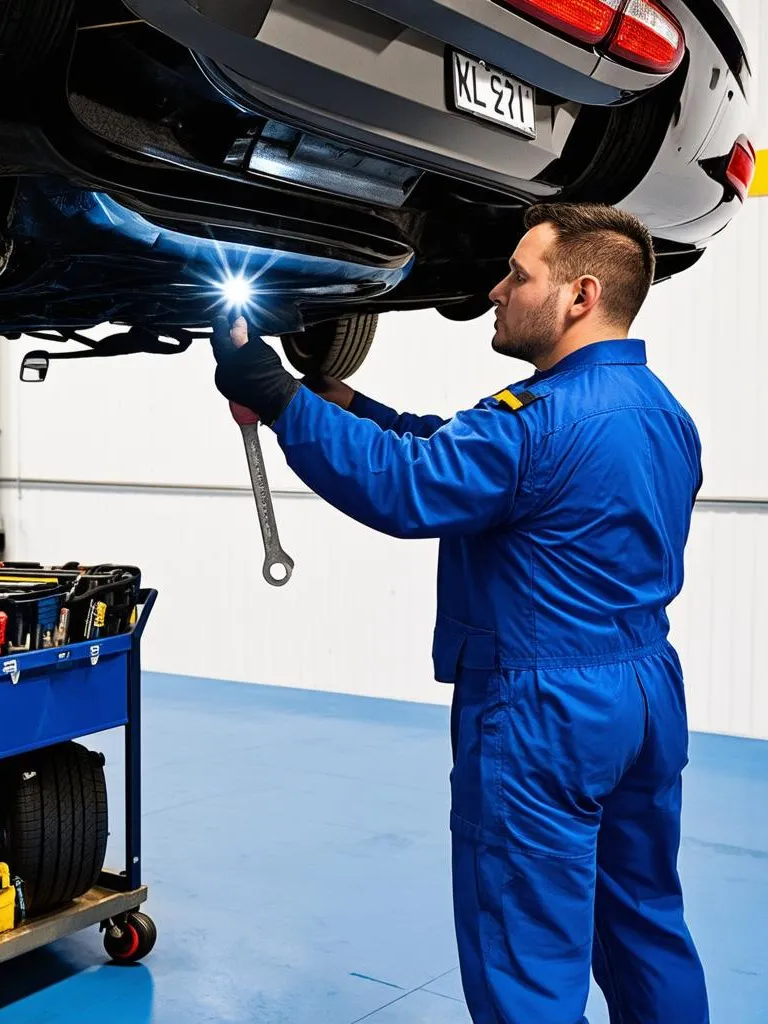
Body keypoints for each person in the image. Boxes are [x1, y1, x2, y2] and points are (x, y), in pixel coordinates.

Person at [210, 202, 709, 1024]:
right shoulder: (662, 412)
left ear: (580, 296)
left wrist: (273, 393)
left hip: (546, 711)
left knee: (528, 955)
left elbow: (406, 486)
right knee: (645, 923)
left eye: (520, 275)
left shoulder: (538, 422)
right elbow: (448, 454)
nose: (496, 289)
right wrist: (338, 399)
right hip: (647, 696)